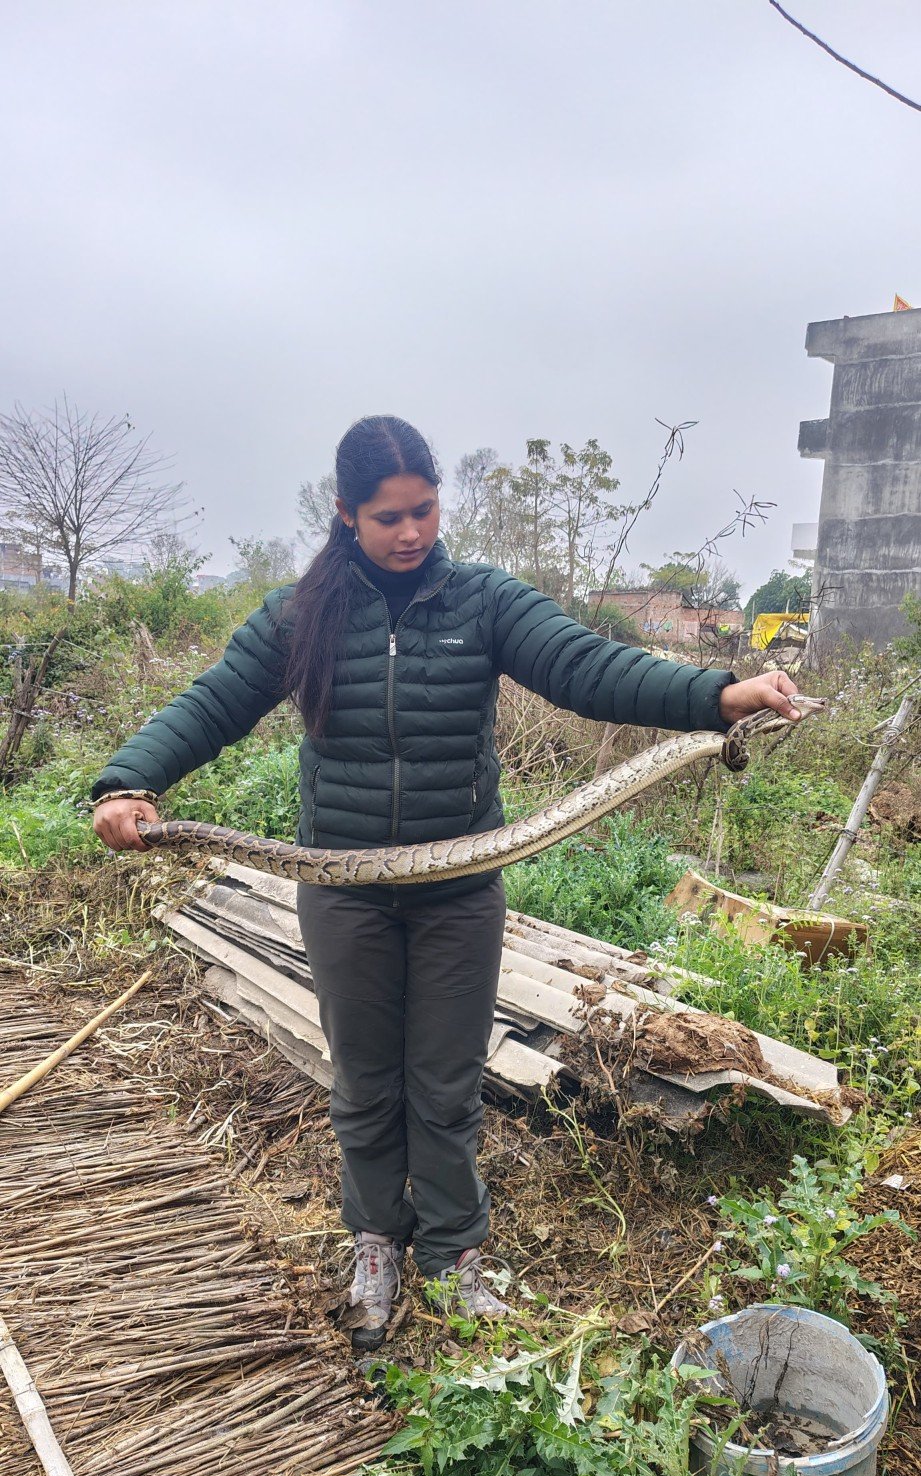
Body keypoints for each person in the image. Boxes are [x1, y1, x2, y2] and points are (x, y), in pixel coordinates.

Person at [92, 415, 801, 1350]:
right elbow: (213, 701)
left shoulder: (483, 602)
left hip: (458, 884)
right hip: (341, 883)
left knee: (446, 1079)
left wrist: (715, 694)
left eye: (423, 510)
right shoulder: (300, 616)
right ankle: (377, 1240)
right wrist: (128, 781)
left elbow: (589, 668)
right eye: (387, 517)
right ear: (345, 515)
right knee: (365, 1080)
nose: (411, 532)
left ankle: (455, 1252)